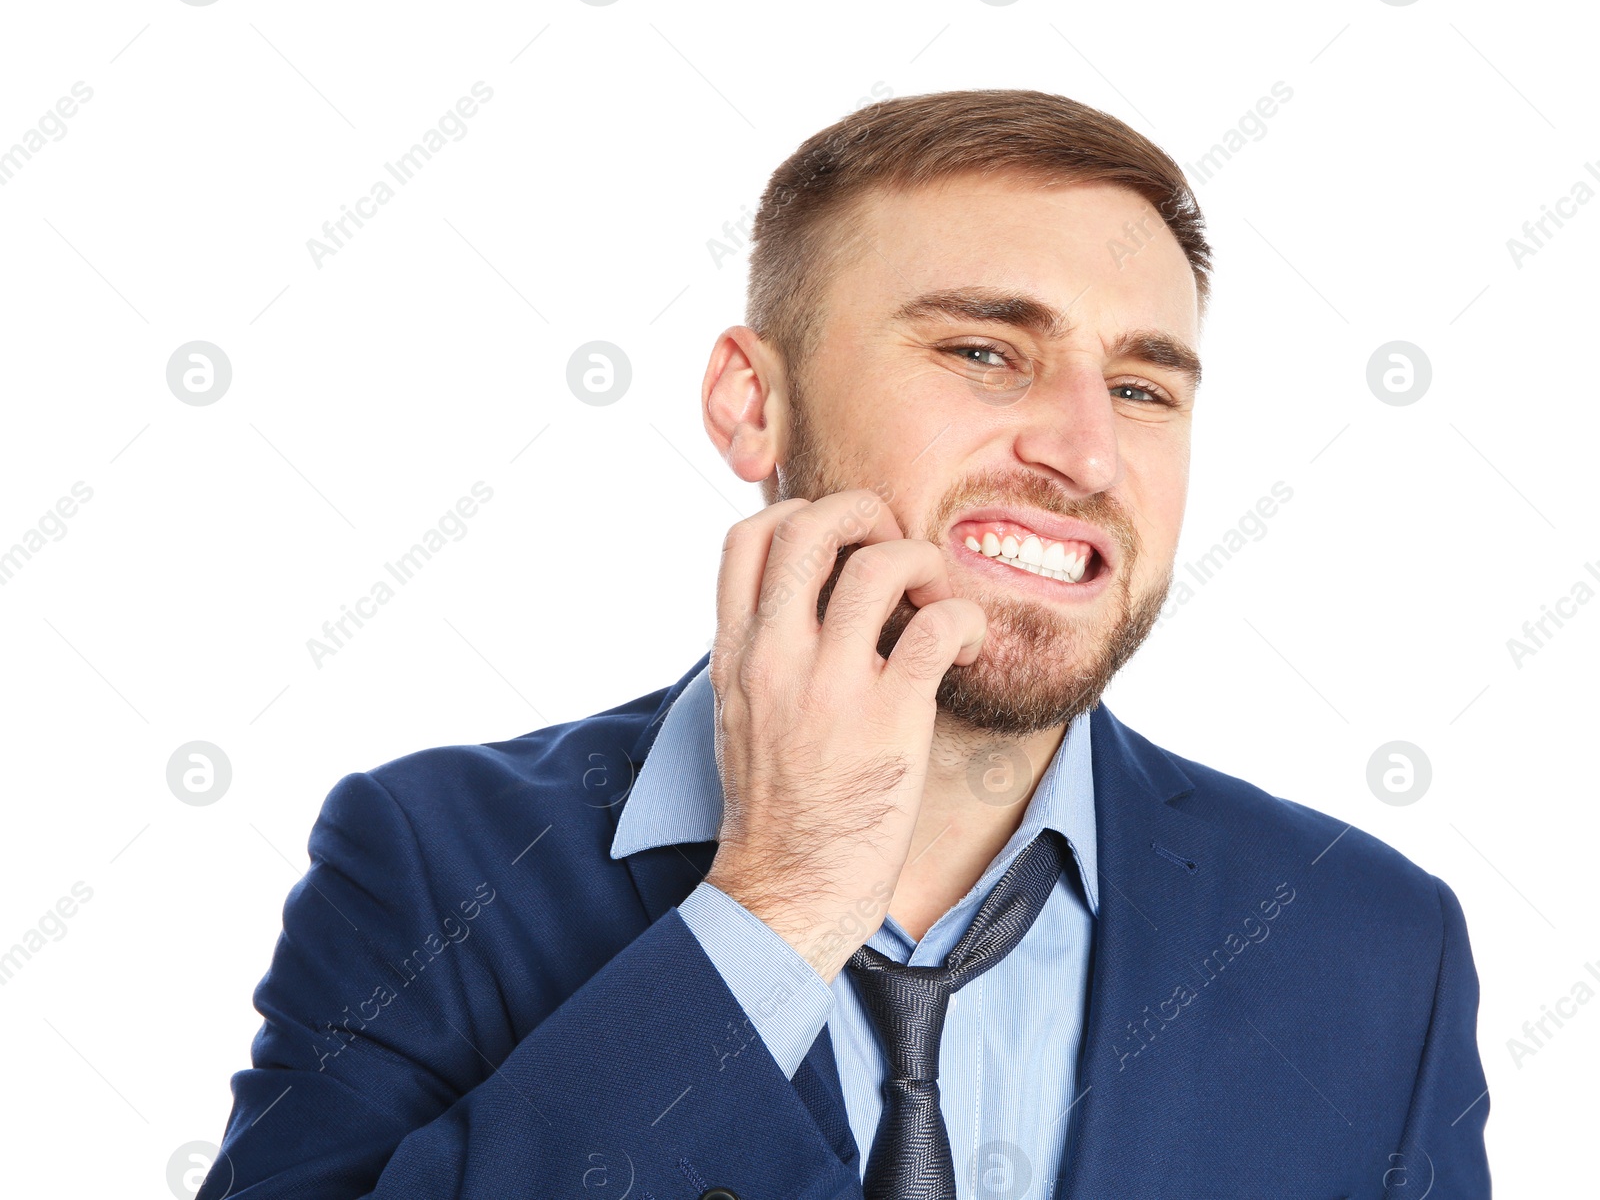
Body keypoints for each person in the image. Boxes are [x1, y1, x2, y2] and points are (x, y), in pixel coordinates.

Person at [198, 89, 1490, 1199]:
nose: (1088, 452)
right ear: (752, 404)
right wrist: (776, 908)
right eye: (987, 351)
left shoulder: (1373, 952)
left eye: (1144, 388)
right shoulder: (433, 869)